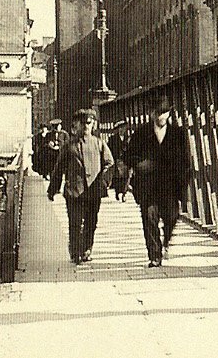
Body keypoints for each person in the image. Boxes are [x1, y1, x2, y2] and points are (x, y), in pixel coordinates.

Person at [120, 94, 191, 267]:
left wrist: (183, 186)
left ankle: (166, 240)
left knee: (172, 217)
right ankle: (154, 255)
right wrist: (140, 163)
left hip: (170, 187)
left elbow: (186, 161)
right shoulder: (141, 133)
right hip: (148, 187)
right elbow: (128, 156)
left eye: (164, 112)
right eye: (158, 113)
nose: (161, 116)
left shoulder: (178, 134)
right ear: (151, 113)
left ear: (169, 113)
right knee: (149, 219)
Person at [47, 108, 115, 265]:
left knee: (91, 222)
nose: (86, 126)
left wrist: (103, 182)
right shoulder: (69, 146)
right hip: (74, 191)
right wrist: (52, 190)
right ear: (76, 125)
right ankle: (75, 251)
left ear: (93, 125)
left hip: (93, 191)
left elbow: (109, 163)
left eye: (89, 123)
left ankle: (86, 249)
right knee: (75, 222)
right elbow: (59, 168)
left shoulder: (99, 143)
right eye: (82, 123)